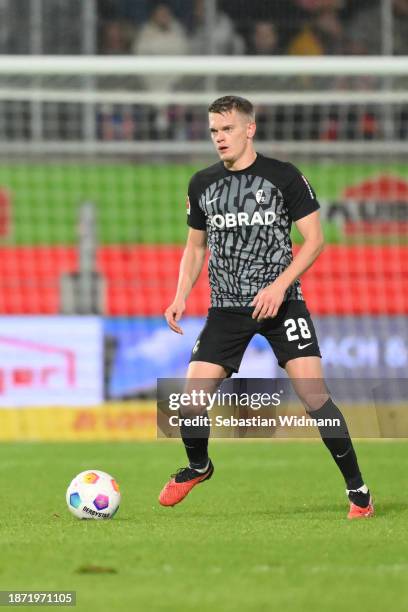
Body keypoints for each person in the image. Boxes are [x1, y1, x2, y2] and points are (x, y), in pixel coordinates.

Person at [159, 95, 374, 520]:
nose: (220, 139)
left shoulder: (284, 176)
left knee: (314, 397)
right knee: (188, 402)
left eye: (227, 130)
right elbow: (194, 247)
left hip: (283, 304)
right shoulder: (202, 183)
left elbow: (315, 241)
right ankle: (200, 467)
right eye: (214, 132)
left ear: (249, 129)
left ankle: (359, 491)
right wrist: (181, 293)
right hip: (226, 308)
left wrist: (279, 287)